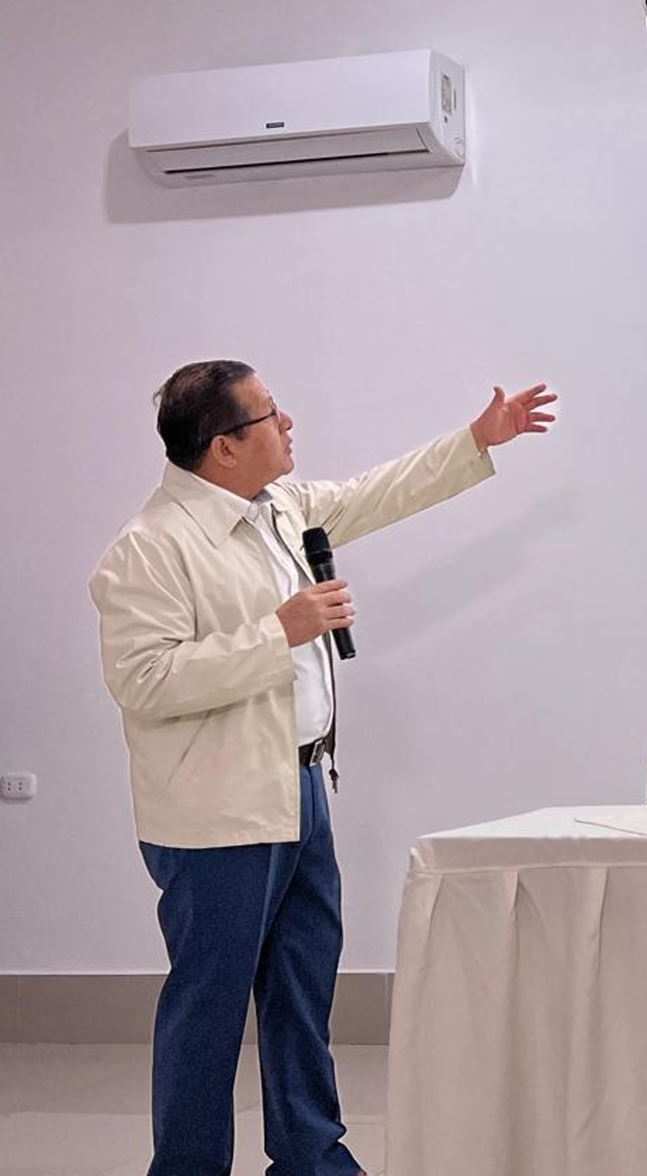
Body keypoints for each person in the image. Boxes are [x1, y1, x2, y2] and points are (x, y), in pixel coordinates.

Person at [89, 359, 556, 1175]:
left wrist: (477, 440)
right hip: (216, 815)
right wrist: (281, 632)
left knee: (302, 991)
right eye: (271, 415)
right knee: (209, 1007)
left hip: (301, 788)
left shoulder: (279, 508)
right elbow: (145, 681)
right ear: (223, 447)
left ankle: (311, 1156)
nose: (290, 423)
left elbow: (378, 492)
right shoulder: (150, 550)